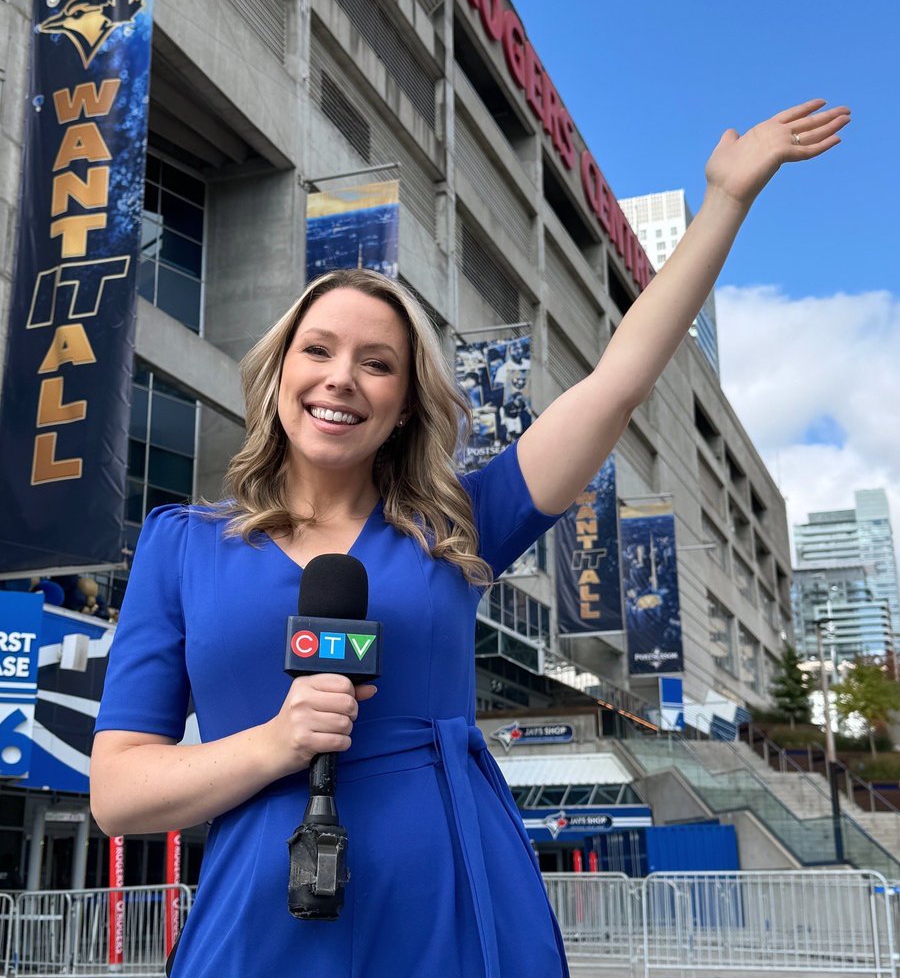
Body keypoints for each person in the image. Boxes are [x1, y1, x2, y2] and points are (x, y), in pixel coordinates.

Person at [90, 98, 849, 977]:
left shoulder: (457, 529)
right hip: (258, 927)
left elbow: (616, 385)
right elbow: (119, 794)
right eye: (318, 351)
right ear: (279, 372)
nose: (342, 379)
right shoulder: (181, 546)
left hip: (449, 915)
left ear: (405, 403)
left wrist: (724, 201)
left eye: (377, 363)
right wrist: (274, 743)